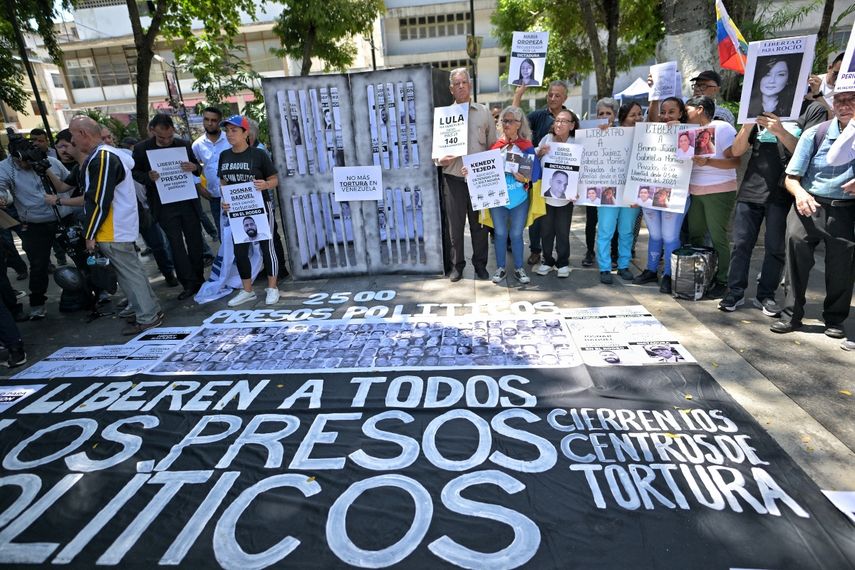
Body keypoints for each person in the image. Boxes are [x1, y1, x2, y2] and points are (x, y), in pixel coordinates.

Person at [718, 100, 827, 315]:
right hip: (751, 187)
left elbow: (808, 152)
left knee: (775, 247)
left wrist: (780, 131)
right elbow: (737, 150)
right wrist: (748, 124)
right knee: (741, 244)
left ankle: (765, 294)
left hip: (783, 190)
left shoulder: (812, 109)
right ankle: (734, 291)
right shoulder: (759, 102)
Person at [771, 91, 855, 342]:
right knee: (795, 258)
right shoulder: (815, 134)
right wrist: (799, 194)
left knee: (842, 268)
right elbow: (791, 177)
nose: (845, 105)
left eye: (852, 99)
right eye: (840, 100)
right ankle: (791, 314)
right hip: (808, 205)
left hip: (846, 210)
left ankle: (835, 318)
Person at [69, 115, 164, 335]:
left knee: (130, 274)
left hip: (112, 227)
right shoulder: (109, 155)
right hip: (118, 225)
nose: (73, 141)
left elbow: (99, 199)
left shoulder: (102, 157)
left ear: (83, 133)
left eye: (73, 135)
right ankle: (150, 310)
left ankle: (147, 316)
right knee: (133, 272)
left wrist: (90, 233)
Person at [133, 114, 206, 300]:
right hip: (163, 205)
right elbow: (135, 172)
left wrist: (194, 167)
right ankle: (188, 284)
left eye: (169, 137)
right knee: (176, 245)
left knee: (195, 241)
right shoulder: (141, 149)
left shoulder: (183, 144)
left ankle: (199, 279)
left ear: (173, 131)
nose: (166, 141)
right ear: (151, 131)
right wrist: (147, 177)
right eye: (161, 138)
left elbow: (198, 167)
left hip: (187, 201)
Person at [0, 134, 72, 320]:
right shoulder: (5, 168)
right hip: (34, 223)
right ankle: (37, 303)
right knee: (38, 265)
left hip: (63, 216)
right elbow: (2, 188)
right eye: (22, 161)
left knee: (80, 255)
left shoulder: (49, 162)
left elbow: (69, 181)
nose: (26, 165)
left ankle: (94, 290)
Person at [435, 68, 496, 282]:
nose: (461, 86)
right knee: (456, 226)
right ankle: (457, 266)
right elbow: (437, 155)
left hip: (479, 180)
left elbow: (492, 147)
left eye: (464, 82)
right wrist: (443, 161)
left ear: (470, 85)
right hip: (453, 180)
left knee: (480, 226)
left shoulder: (484, 112)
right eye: (456, 83)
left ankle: (480, 265)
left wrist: (485, 169)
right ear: (451, 89)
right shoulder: (443, 116)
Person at [218, 114, 285, 306]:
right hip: (237, 211)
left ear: (246, 133)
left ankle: (272, 287)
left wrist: (265, 185)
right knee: (240, 251)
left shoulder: (258, 155)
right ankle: (247, 290)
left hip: (260, 208)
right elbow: (224, 181)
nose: (229, 135)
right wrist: (224, 200)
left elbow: (275, 179)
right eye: (227, 131)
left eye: (234, 131)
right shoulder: (224, 155)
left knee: (267, 247)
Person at [474, 105, 539, 285]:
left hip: (519, 198)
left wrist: (525, 178)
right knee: (500, 234)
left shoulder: (526, 146)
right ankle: (501, 267)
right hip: (498, 199)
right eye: (504, 120)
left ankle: (519, 268)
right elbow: (483, 172)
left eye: (511, 121)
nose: (507, 124)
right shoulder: (495, 146)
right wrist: (469, 172)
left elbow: (535, 175)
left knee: (517, 234)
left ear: (519, 124)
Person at [685, 95, 740, 298]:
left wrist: (708, 163)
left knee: (718, 237)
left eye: (687, 109)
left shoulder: (722, 128)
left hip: (719, 190)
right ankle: (700, 276)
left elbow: (735, 162)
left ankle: (723, 279)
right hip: (695, 190)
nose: (684, 113)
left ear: (700, 109)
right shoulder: (687, 131)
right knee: (695, 235)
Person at [634, 97, 690, 294]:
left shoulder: (689, 134)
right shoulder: (650, 133)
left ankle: (669, 274)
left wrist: (683, 131)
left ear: (681, 114)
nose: (666, 116)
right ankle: (650, 270)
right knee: (655, 234)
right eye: (663, 112)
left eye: (671, 112)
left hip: (674, 195)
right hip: (649, 193)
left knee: (670, 236)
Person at [512, 80, 570, 265]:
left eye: (557, 95)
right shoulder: (537, 116)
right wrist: (518, 95)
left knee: (560, 224)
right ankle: (536, 251)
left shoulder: (571, 117)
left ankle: (559, 257)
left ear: (565, 98)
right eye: (550, 94)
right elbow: (514, 120)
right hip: (537, 177)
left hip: (564, 180)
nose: (552, 98)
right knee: (537, 217)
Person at [597, 101, 640, 285]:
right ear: (622, 117)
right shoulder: (607, 132)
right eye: (633, 115)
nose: (637, 118)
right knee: (606, 229)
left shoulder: (646, 135)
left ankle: (623, 265)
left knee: (627, 230)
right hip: (608, 189)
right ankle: (605, 267)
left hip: (631, 190)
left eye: (640, 114)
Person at [534, 108, 578, 278]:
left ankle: (563, 262)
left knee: (562, 230)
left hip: (567, 197)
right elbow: (535, 157)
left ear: (572, 125)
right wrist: (540, 152)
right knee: (546, 230)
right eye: (557, 120)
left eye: (564, 121)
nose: (559, 124)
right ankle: (547, 260)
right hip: (546, 195)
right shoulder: (547, 139)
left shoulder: (576, 142)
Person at [581, 97, 619, 268]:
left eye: (608, 113)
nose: (604, 116)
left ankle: (613, 252)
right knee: (591, 220)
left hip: (614, 184)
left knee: (613, 222)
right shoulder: (588, 133)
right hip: (593, 182)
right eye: (601, 113)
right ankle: (590, 251)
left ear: (615, 115)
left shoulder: (621, 133)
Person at [192, 107, 231, 241]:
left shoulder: (230, 139)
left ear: (220, 122)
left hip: (234, 193)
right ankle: (227, 262)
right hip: (215, 197)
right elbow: (193, 169)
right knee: (222, 234)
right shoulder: (197, 145)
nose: (209, 123)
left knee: (241, 233)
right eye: (206, 119)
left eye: (214, 120)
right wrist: (200, 188)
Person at [747, 55, 799, 119]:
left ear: (788, 79)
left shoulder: (794, 109)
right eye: (767, 74)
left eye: (780, 74)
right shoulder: (747, 108)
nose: (772, 81)